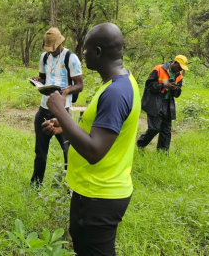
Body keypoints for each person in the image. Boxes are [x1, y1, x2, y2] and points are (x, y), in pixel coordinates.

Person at [42, 23, 140, 256]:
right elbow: (99, 132)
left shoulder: (115, 93)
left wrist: (60, 111)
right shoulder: (117, 84)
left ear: (97, 52)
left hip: (100, 196)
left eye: (85, 49)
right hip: (94, 192)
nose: (82, 53)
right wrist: (64, 125)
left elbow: (95, 151)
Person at [30, 27, 83, 188]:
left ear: (60, 43)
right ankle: (36, 185)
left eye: (52, 49)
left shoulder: (71, 58)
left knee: (68, 151)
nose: (51, 52)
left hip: (62, 111)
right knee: (40, 152)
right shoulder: (44, 57)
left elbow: (79, 85)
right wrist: (37, 80)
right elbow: (44, 78)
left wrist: (66, 91)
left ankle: (69, 186)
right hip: (44, 108)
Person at [136, 55, 188, 152]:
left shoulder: (179, 75)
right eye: (180, 67)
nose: (180, 69)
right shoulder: (158, 69)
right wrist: (164, 85)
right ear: (175, 63)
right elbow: (149, 86)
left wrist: (175, 88)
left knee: (166, 129)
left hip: (168, 104)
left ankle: (163, 153)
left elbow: (178, 93)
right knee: (154, 128)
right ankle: (140, 144)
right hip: (154, 102)